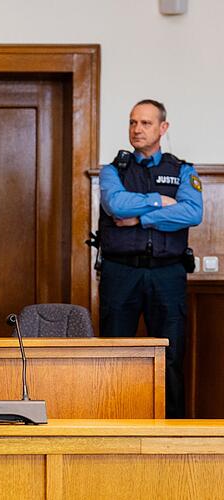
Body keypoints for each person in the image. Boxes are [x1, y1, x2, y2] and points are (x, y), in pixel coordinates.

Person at [98, 99, 203, 418]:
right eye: (132, 122)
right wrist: (160, 201)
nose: (137, 129)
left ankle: (173, 431)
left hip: (167, 274)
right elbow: (116, 205)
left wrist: (141, 218)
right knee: (114, 355)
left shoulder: (182, 170)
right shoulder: (113, 171)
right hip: (121, 273)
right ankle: (114, 427)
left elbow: (192, 212)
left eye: (145, 123)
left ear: (163, 128)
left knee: (171, 356)